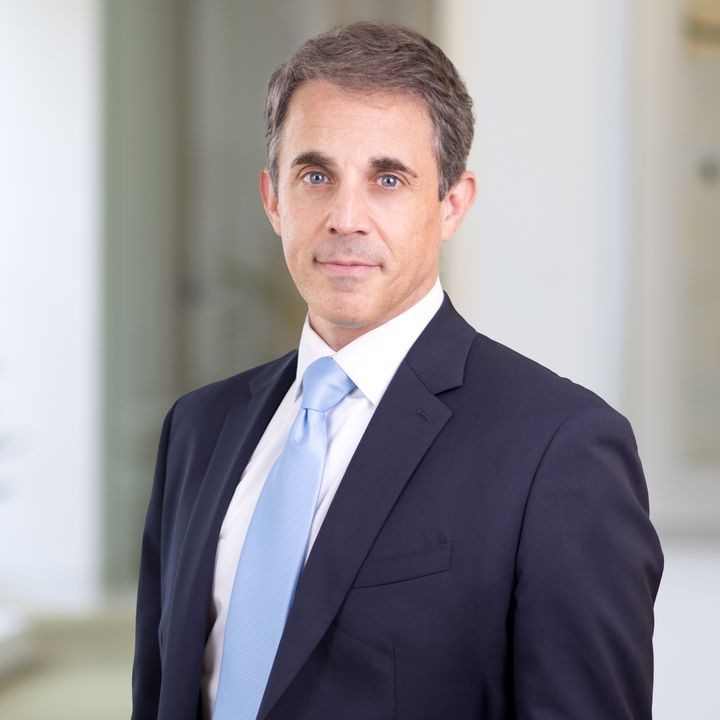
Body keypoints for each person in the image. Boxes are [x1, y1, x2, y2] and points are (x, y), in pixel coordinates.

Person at [131, 21, 663, 720]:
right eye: (315, 176)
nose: (346, 218)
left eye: (388, 179)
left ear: (451, 204)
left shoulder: (559, 448)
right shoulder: (199, 429)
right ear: (273, 199)